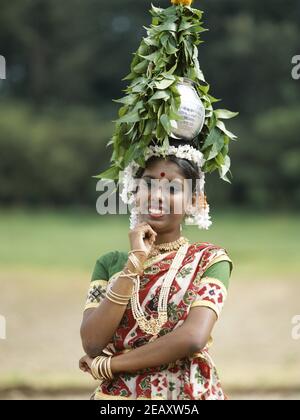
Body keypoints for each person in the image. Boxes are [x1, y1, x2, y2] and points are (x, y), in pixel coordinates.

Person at [79, 148, 233, 400]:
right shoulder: (110, 264)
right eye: (148, 184)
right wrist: (134, 263)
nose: (157, 196)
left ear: (193, 201)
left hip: (185, 394)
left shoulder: (210, 260)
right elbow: (93, 342)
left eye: (173, 188)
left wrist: (111, 365)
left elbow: (193, 338)